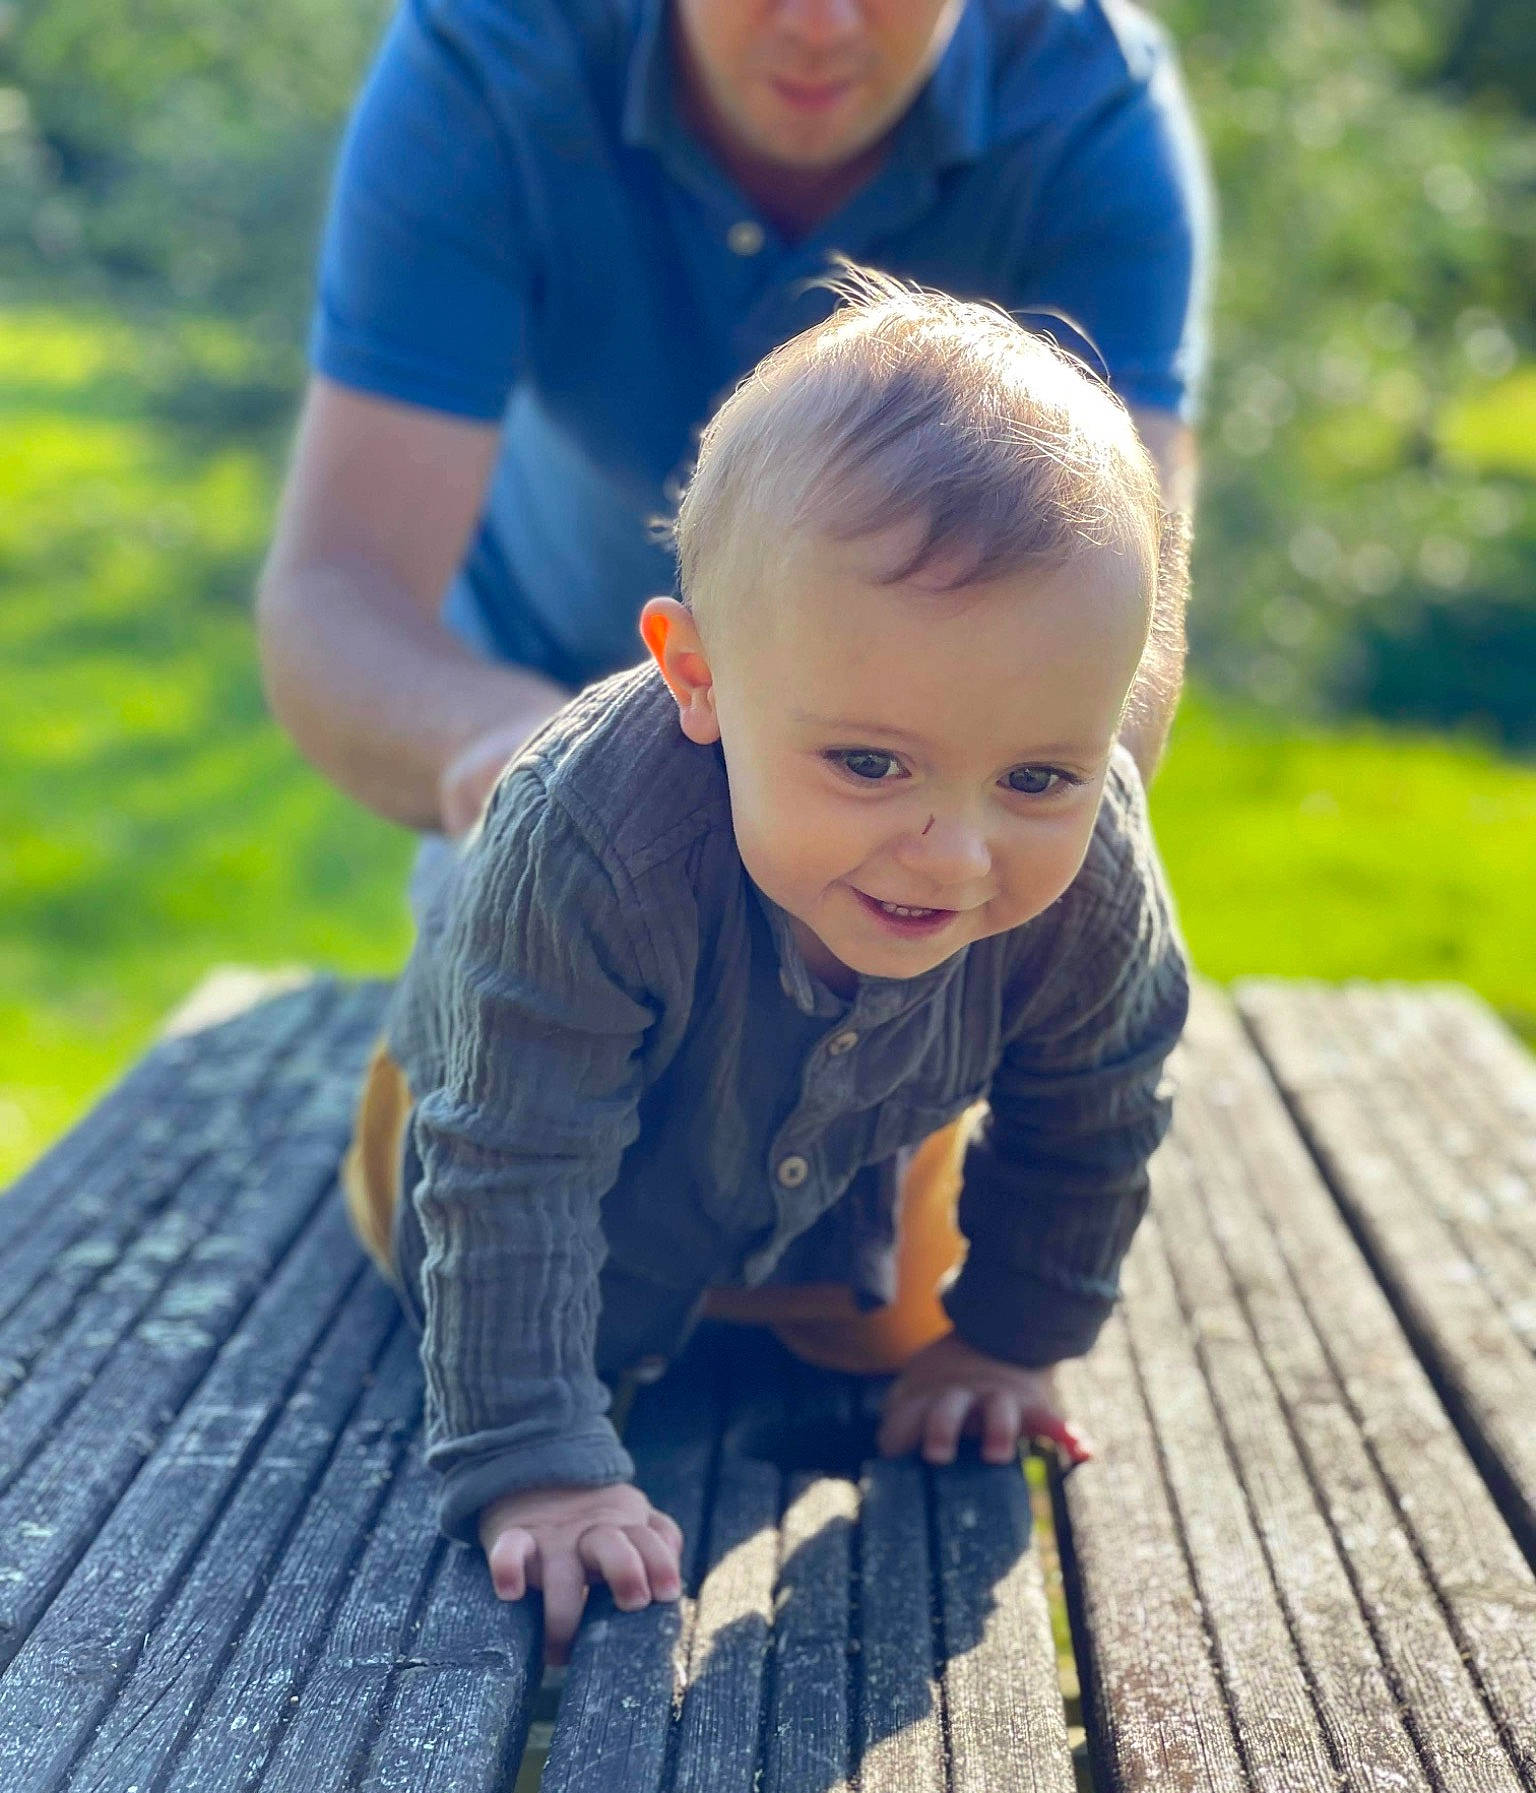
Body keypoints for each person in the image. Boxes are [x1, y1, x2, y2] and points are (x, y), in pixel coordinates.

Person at [340, 271, 1190, 1662]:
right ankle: (448, 912)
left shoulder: (1087, 873)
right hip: (515, 1138)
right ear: (699, 677)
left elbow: (1097, 1104)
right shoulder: (591, 841)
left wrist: (1007, 1338)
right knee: (437, 1200)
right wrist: (537, 1459)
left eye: (1039, 775)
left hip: (843, 1158)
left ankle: (817, 1280)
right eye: (869, 763)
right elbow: (510, 1154)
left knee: (902, 1328)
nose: (954, 850)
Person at [257, 0, 1212, 859]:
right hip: (542, 701)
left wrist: (978, 835)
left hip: (930, 800)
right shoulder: (491, 51)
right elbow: (340, 590)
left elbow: (1129, 615)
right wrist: (529, 760)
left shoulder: (1089, 104)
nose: (820, 25)